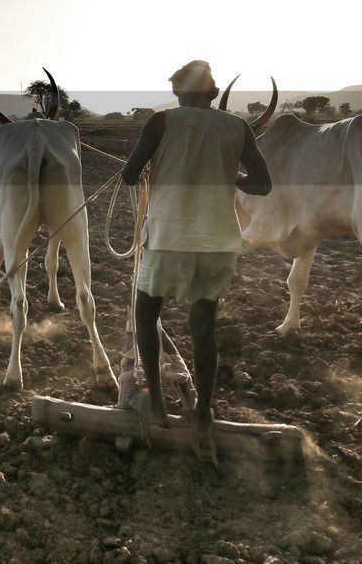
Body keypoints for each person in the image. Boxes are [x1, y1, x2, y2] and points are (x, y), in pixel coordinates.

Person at [120, 60, 272, 455]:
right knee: (203, 326)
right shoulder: (237, 127)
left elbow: (130, 175)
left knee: (145, 315)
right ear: (210, 92)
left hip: (169, 235)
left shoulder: (160, 122)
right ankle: (203, 410)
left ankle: (155, 402)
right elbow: (263, 184)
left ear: (177, 91)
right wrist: (229, 175)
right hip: (217, 241)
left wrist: (149, 166)